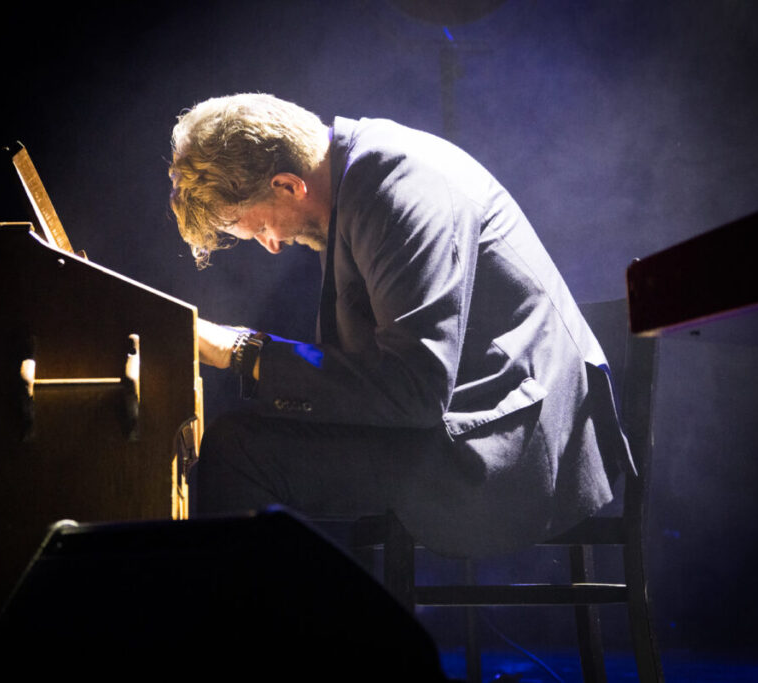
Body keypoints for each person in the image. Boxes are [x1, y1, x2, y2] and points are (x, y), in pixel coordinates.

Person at [168, 93, 631, 557]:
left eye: (256, 227)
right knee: (244, 440)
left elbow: (415, 390)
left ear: (288, 185)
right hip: (464, 418)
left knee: (239, 453)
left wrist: (244, 352)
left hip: (509, 449)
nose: (271, 245)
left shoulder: (398, 186)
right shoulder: (362, 178)